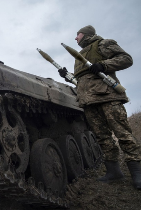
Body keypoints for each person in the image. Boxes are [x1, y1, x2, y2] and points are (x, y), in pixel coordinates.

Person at [58, 25, 141, 189]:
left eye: (78, 35)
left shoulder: (103, 44)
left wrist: (103, 65)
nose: (76, 38)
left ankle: (137, 174)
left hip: (107, 97)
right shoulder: (80, 55)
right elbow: (84, 79)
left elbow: (126, 59)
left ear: (86, 35)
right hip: (88, 102)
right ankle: (114, 172)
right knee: (103, 138)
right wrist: (69, 77)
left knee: (123, 134)